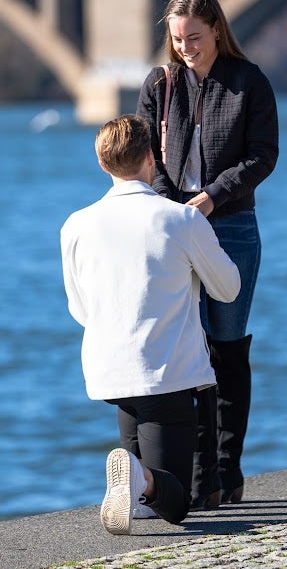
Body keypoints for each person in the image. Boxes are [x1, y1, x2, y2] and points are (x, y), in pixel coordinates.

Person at [61, 114, 241, 535]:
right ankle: (142, 479)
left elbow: (79, 308)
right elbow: (228, 288)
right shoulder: (180, 219)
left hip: (109, 372)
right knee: (174, 504)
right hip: (165, 374)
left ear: (103, 165)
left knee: (142, 500)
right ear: (151, 158)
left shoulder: (75, 225)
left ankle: (136, 483)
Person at [136, 0, 279, 509]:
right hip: (174, 228)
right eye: (177, 39)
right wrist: (173, 205)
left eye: (194, 37)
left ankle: (227, 469)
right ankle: (199, 480)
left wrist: (213, 198)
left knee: (227, 347)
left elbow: (264, 157)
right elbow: (145, 153)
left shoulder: (249, 82)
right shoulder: (160, 83)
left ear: (217, 29)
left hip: (232, 228)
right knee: (187, 350)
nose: (186, 48)